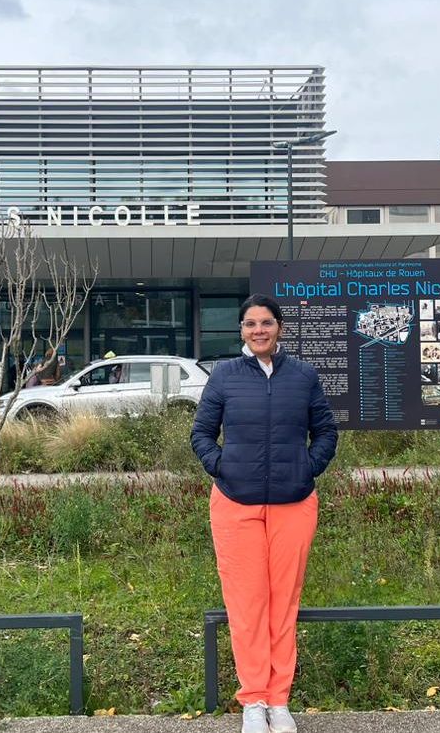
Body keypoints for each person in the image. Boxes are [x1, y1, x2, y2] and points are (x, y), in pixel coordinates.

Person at [191, 294, 338, 733]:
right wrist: (223, 467)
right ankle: (253, 699)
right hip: (236, 503)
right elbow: (201, 432)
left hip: (294, 503)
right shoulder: (224, 376)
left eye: (267, 323)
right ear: (241, 330)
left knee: (283, 602)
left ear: (280, 328)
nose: (259, 330)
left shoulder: (304, 376)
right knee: (247, 603)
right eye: (251, 323)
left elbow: (326, 430)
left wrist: (307, 468)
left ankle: (279, 700)